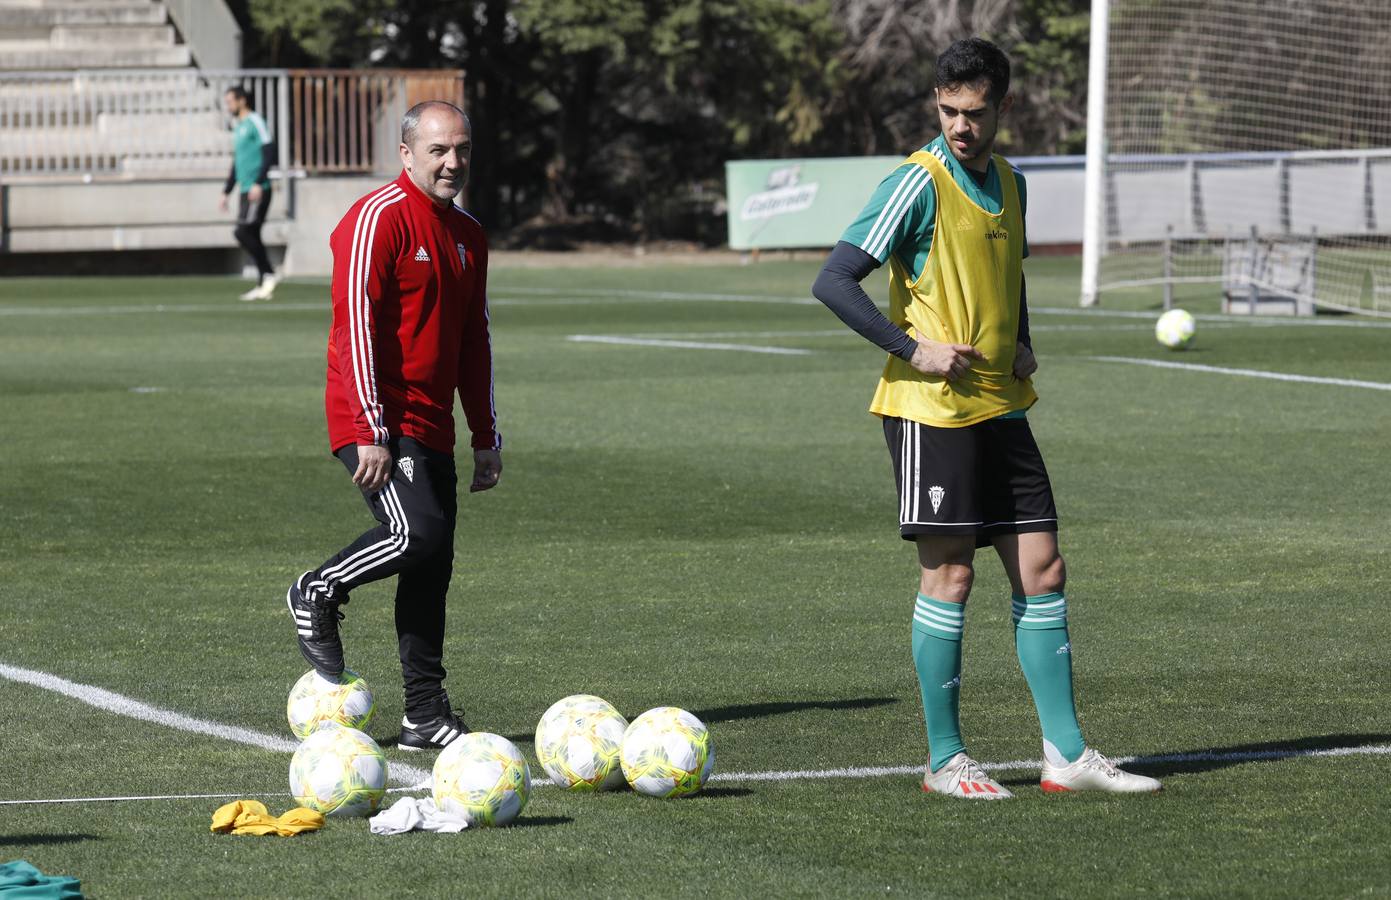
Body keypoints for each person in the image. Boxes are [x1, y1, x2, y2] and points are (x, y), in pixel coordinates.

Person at [811, 38, 1160, 798]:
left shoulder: (1011, 181)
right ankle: (944, 760)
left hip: (1002, 407)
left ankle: (1064, 756)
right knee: (951, 576)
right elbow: (833, 280)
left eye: (973, 112)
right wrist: (913, 348)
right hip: (929, 413)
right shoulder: (916, 181)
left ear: (1003, 107)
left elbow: (1009, 278)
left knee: (1043, 570)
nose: (959, 126)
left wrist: (1024, 341)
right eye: (947, 111)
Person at [286, 100, 501, 752]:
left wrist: (485, 435)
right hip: (373, 415)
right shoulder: (376, 219)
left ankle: (425, 715)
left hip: (432, 425)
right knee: (416, 533)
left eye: (461, 149)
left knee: (432, 566)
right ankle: (314, 590)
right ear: (406, 154)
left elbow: (474, 341)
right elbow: (355, 326)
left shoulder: (468, 234)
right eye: (438, 150)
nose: (452, 162)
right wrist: (372, 428)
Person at [219, 86, 279, 301]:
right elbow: (238, 162)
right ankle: (264, 281)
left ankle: (269, 273)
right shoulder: (239, 127)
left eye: (230, 101)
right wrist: (227, 191)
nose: (229, 106)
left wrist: (258, 181)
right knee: (250, 233)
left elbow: (270, 150)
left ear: (242, 101)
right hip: (245, 190)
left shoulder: (255, 121)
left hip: (258, 189)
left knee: (243, 232)